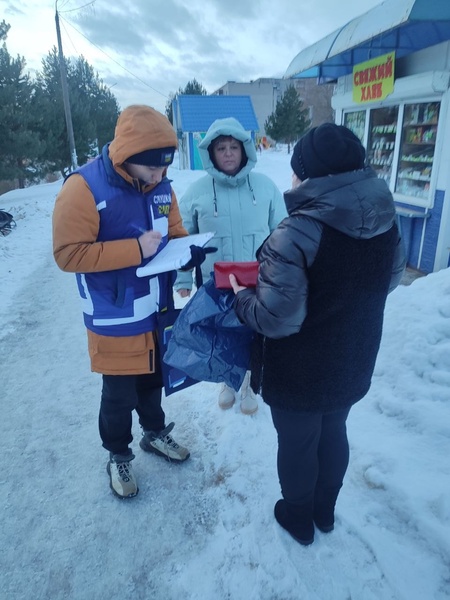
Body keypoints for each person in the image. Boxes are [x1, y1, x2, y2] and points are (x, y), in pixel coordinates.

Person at [229, 123, 406, 545]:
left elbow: (277, 318)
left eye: (296, 170)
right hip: (352, 358)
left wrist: (241, 298)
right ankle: (324, 511)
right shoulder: (386, 218)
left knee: (297, 443)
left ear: (309, 176)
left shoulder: (295, 233)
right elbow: (391, 278)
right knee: (334, 430)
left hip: (299, 371)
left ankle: (298, 517)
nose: (291, 178)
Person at [53, 105, 208, 500]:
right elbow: (68, 254)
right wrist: (134, 250)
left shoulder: (161, 186)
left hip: (156, 311)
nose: (161, 178)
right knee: (118, 393)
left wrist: (186, 250)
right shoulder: (82, 188)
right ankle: (117, 454)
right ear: (126, 159)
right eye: (152, 170)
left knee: (153, 381)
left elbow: (174, 230)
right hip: (114, 316)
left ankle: (154, 433)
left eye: (164, 169)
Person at [175, 116, 286, 415]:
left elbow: (283, 234)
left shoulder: (265, 187)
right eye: (221, 147)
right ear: (210, 153)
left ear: (244, 149)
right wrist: (183, 280)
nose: (227, 153)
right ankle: (228, 381)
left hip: (260, 280)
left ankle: (249, 382)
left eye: (233, 147)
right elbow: (183, 240)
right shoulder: (197, 192)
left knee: (254, 334)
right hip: (216, 284)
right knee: (223, 334)